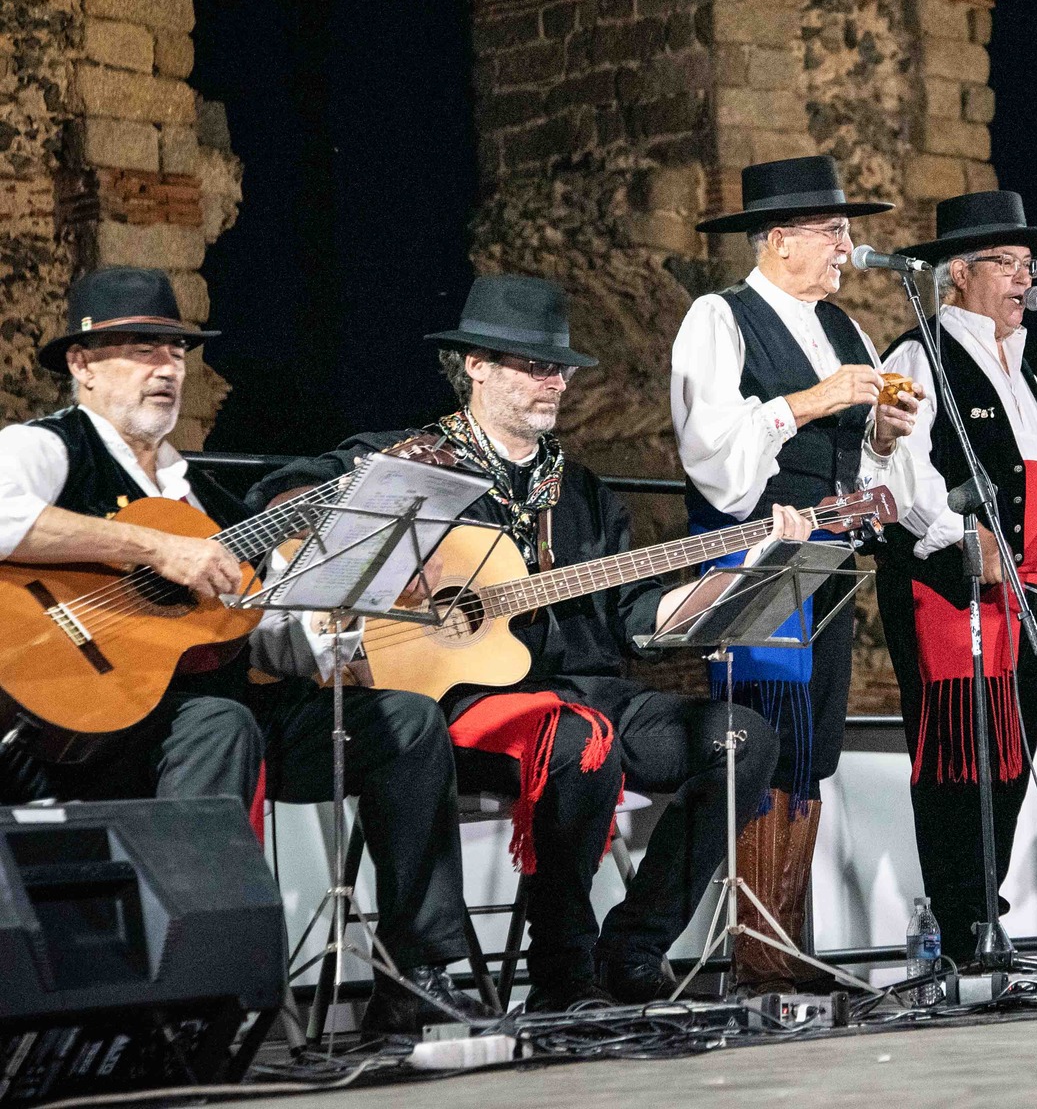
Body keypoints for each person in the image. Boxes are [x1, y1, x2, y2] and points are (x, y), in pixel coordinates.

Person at [251, 274, 794, 1010]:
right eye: (536, 364)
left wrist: (726, 585)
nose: (557, 379)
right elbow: (281, 505)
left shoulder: (585, 493)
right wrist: (401, 564)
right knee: (575, 739)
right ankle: (562, 973)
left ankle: (632, 947)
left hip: (585, 689)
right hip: (464, 701)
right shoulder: (412, 462)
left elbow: (634, 618)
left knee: (743, 738)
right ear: (476, 364)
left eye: (562, 366)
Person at [0, 267, 486, 1035]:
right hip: (88, 721)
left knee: (407, 724)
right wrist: (154, 547)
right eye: (140, 349)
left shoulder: (208, 505)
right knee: (220, 721)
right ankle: (191, 989)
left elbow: (274, 634)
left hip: (214, 714)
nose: (166, 368)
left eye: (176, 351)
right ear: (82, 365)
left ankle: (415, 973)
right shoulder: (45, 447)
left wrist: (350, 596)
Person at [670, 155, 919, 987]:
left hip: (828, 556)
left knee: (814, 741)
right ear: (780, 240)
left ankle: (789, 940)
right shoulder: (720, 317)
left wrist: (880, 430)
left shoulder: (846, 329)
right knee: (766, 737)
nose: (848, 247)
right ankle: (759, 951)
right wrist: (810, 400)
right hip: (754, 555)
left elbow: (851, 462)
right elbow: (713, 455)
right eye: (833, 232)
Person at [875, 189, 1037, 960]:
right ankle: (963, 920)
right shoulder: (914, 354)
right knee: (957, 759)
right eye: (1007, 261)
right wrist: (960, 536)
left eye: (1028, 263)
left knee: (1014, 752)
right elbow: (902, 472)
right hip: (948, 591)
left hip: (1020, 599)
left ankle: (984, 911)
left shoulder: (1024, 370)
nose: (1024, 277)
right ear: (957, 272)